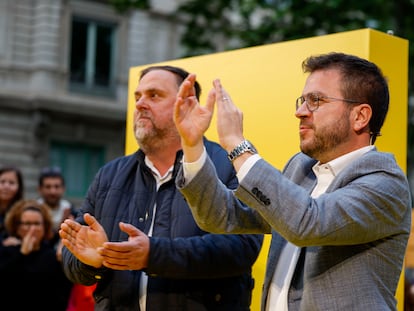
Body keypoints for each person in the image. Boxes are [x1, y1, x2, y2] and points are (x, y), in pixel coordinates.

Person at [173, 52, 412, 310]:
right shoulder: (300, 168)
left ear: (360, 116)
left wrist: (237, 145)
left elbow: (309, 223)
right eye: (302, 101)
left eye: (315, 100)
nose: (300, 112)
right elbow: (222, 215)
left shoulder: (385, 183)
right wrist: (193, 145)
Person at [59, 65, 264, 311]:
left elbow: (242, 247)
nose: (140, 105)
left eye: (154, 95)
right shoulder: (109, 175)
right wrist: (92, 261)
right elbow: (74, 259)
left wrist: (152, 254)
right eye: (138, 97)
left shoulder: (228, 165)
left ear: (187, 104)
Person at [0, 199, 73, 310]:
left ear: (44, 227)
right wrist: (22, 254)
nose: (33, 229)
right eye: (27, 224)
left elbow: (63, 294)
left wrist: (62, 262)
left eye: (37, 224)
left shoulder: (51, 256)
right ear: (17, 227)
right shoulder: (7, 251)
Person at [0, 166, 24, 241]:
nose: (6, 186)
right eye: (2, 182)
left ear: (19, 187)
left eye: (11, 183)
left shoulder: (23, 211)